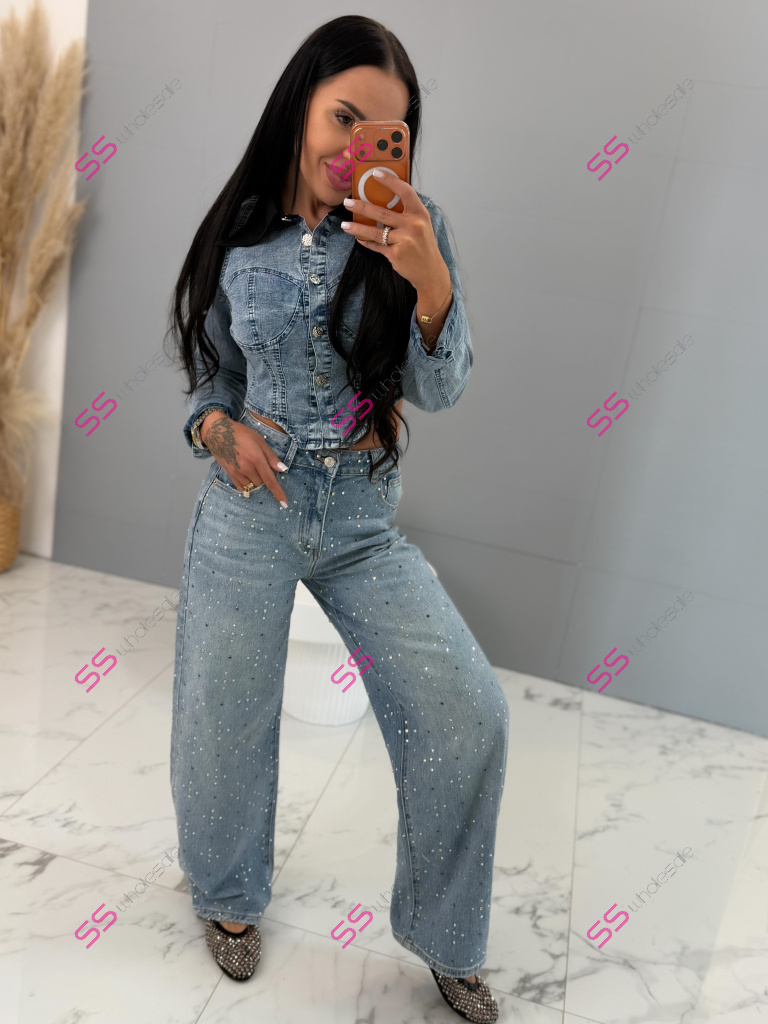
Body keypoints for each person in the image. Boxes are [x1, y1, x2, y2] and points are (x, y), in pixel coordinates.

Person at [166, 15, 508, 1023]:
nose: (358, 146)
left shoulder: (415, 227)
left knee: (469, 709)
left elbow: (439, 391)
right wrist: (219, 432)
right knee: (221, 715)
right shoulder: (238, 234)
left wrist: (430, 280)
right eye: (343, 117)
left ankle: (447, 935)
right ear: (300, 108)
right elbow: (210, 378)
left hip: (360, 521)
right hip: (250, 510)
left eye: (384, 131)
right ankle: (227, 894)